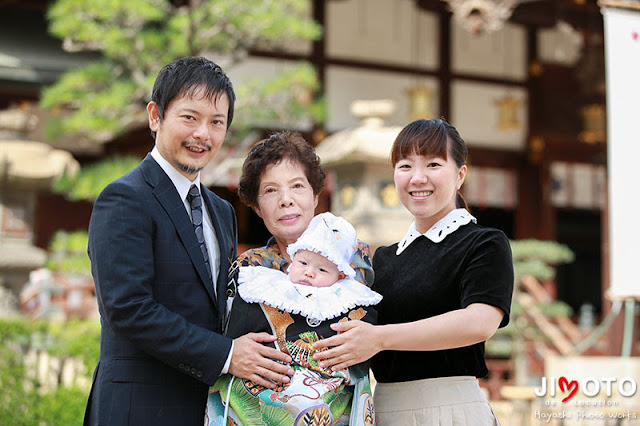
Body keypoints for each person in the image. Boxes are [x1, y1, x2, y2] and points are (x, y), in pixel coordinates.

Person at [84, 57, 293, 426]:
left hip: (205, 408)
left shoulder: (221, 211)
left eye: (217, 123)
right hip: (139, 407)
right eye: (189, 118)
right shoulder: (124, 199)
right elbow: (128, 308)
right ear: (155, 116)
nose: (203, 135)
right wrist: (227, 355)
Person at [312, 118, 514, 425]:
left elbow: (480, 322)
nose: (417, 178)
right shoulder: (382, 258)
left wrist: (379, 338)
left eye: (433, 164)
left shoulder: (483, 242)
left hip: (451, 411)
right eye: (405, 166)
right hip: (384, 411)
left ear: (460, 175)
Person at [206, 212, 381, 425]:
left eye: (322, 269)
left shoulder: (349, 299)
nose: (309, 273)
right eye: (303, 263)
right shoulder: (263, 284)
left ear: (341, 275)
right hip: (261, 381)